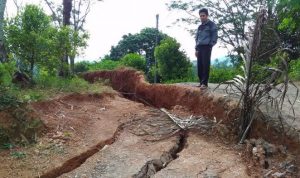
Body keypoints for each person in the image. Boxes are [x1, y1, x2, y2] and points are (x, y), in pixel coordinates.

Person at [195, 8, 218, 89]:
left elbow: (214, 37)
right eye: (200, 16)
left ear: (207, 15)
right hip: (199, 48)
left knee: (205, 65)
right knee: (199, 65)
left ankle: (205, 83)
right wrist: (196, 49)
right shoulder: (200, 27)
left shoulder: (212, 25)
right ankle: (201, 82)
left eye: (203, 15)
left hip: (206, 47)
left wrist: (210, 46)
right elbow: (197, 38)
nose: (202, 17)